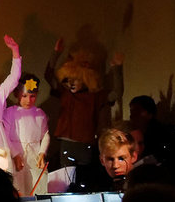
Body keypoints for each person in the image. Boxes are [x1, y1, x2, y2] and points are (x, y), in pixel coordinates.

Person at [45, 38, 124, 168]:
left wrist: (117, 69)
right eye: (68, 80)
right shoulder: (65, 94)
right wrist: (56, 53)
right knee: (67, 175)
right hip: (66, 144)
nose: (70, 83)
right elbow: (49, 76)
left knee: (83, 175)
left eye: (76, 80)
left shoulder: (95, 96)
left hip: (86, 145)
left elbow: (117, 93)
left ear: (86, 79)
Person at [3, 73, 50, 195]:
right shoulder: (10, 113)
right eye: (24, 96)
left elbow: (45, 135)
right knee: (18, 184)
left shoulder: (40, 114)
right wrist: (15, 155)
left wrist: (42, 153)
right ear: (16, 94)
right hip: (17, 154)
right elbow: (5, 136)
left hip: (33, 155)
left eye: (32, 96)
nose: (28, 100)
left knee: (35, 184)